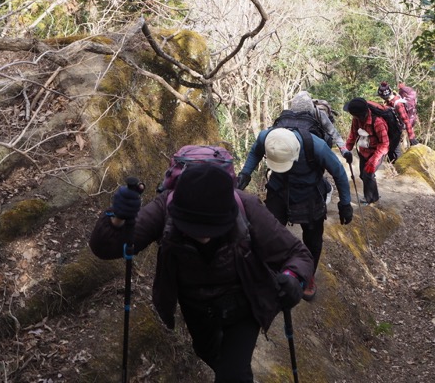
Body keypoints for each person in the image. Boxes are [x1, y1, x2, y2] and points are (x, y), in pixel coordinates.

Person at [89, 164, 314, 383]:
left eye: (212, 229)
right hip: (197, 309)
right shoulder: (165, 208)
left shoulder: (247, 207)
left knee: (231, 376)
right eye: (193, 228)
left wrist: (294, 279)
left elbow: (298, 254)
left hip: (243, 304)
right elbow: (105, 248)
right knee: (212, 357)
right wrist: (116, 218)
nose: (203, 237)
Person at [236, 127, 353, 301]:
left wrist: (345, 203)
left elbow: (339, 172)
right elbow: (255, 152)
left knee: (312, 240)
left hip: (310, 192)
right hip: (279, 189)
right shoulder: (267, 138)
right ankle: (269, 273)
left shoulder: (317, 146)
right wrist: (245, 173)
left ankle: (307, 277)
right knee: (266, 233)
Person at [288, 90, 352, 205]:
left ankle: (326, 188)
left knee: (317, 169)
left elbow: (333, 133)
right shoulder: (289, 116)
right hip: (301, 144)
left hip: (320, 143)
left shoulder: (319, 114)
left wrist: (344, 150)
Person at [343, 97, 390, 205]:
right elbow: (353, 135)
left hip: (376, 153)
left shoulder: (377, 122)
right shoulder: (356, 120)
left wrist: (373, 161)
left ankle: (370, 200)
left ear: (360, 114)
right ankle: (374, 196)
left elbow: (385, 143)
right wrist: (346, 150)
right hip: (364, 151)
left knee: (368, 175)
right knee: (363, 175)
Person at [377, 81, 417, 159]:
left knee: (396, 152)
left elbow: (406, 120)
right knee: (392, 151)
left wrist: (411, 137)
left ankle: (398, 168)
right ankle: (394, 165)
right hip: (395, 129)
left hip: (398, 130)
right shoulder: (389, 102)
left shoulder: (398, 104)